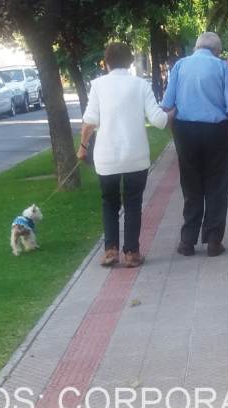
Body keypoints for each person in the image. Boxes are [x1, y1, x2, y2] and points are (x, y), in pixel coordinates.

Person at [79, 42, 168, 269]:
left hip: (106, 158)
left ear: (106, 62)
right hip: (135, 157)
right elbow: (158, 121)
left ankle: (111, 250)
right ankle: (132, 253)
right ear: (130, 62)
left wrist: (82, 147)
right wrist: (173, 111)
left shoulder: (98, 85)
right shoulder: (140, 85)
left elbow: (89, 123)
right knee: (132, 204)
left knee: (109, 203)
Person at [160, 32, 228, 257]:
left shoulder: (179, 67)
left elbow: (168, 107)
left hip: (185, 131)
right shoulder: (222, 67)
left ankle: (187, 241)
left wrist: (176, 134)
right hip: (216, 131)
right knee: (217, 185)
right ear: (217, 51)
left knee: (191, 185)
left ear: (196, 48)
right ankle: (213, 241)